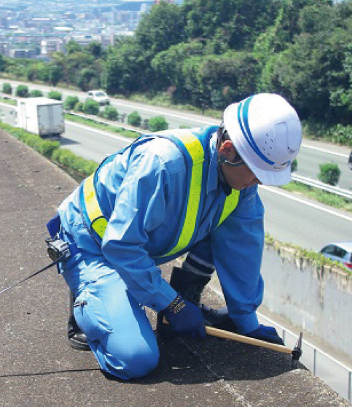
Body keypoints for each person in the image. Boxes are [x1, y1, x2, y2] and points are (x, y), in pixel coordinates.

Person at [46, 93, 302, 381]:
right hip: (92, 242)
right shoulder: (162, 164)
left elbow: (243, 248)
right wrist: (173, 305)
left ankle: (164, 300)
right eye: (257, 174)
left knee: (224, 225)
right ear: (228, 150)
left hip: (136, 240)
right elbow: (121, 245)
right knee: (136, 359)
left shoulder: (240, 180)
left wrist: (246, 320)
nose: (258, 183)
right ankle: (88, 299)